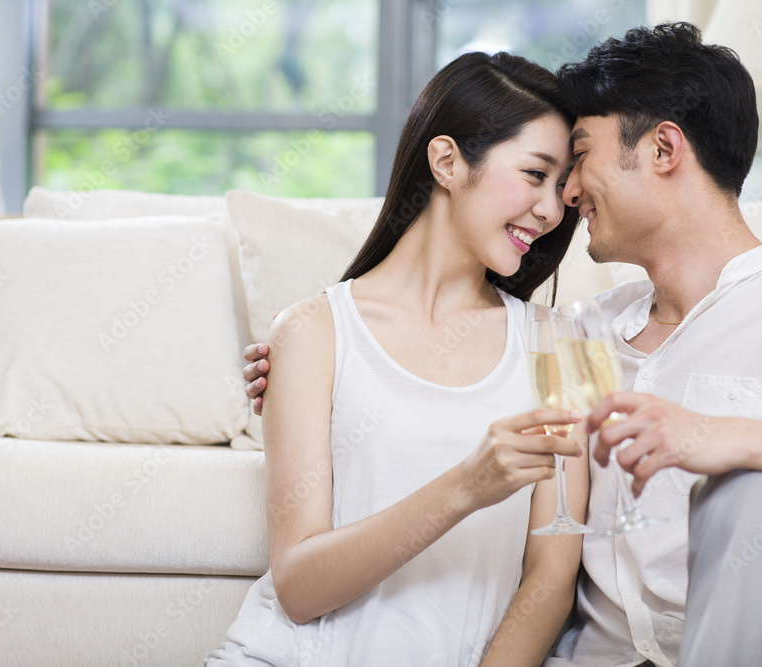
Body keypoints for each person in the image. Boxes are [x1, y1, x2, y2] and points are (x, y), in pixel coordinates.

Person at [245, 23, 762, 667]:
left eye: (579, 158)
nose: (566, 199)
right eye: (546, 174)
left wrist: (726, 438)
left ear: (663, 149)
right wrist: (304, 357)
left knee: (751, 490)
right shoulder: (581, 335)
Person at [207, 51, 593, 667]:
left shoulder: (559, 345)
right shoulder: (312, 332)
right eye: (533, 174)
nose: (551, 211)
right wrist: (468, 486)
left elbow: (551, 576)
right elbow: (300, 588)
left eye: (561, 187)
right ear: (445, 160)